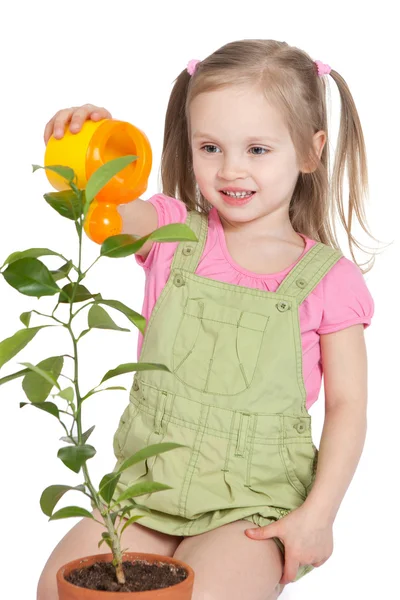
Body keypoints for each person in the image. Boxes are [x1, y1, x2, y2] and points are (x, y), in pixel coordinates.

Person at [37, 39, 377, 600]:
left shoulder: (328, 279)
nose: (231, 169)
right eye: (211, 147)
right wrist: (84, 150)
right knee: (57, 589)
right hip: (144, 493)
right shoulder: (172, 232)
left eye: (258, 150)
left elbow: (348, 407)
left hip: (251, 506)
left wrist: (319, 515)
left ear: (311, 151)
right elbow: (106, 217)